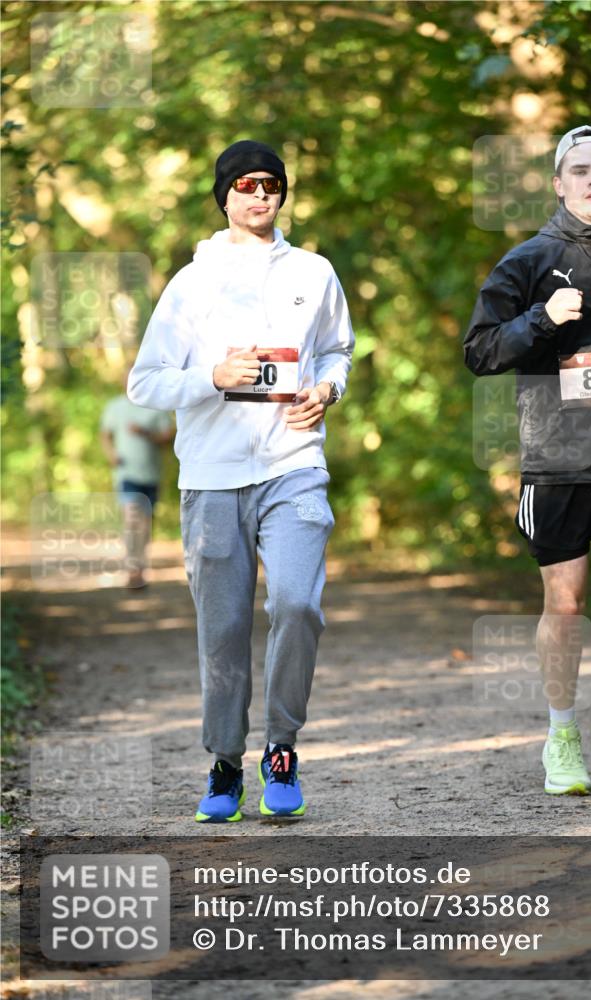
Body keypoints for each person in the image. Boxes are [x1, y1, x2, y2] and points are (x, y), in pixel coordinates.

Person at [128, 140, 354, 820]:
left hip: (293, 464)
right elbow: (145, 383)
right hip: (212, 477)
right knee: (223, 628)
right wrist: (212, 378)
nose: (260, 194)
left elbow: (337, 351)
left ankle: (280, 747)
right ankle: (225, 763)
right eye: (247, 184)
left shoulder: (314, 272)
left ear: (282, 195)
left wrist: (328, 389)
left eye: (272, 184)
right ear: (224, 195)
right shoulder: (189, 284)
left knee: (295, 604)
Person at [464, 125, 591, 795]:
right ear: (557, 181)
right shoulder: (527, 260)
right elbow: (480, 351)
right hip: (554, 456)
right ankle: (559, 734)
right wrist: (541, 321)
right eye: (579, 171)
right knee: (566, 602)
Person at [100, 369, 173, 589]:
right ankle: (133, 569)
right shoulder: (114, 406)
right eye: (125, 377)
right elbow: (105, 435)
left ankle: (140, 568)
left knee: (144, 525)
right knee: (132, 520)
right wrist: (111, 454)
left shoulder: (155, 406)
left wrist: (146, 434)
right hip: (126, 474)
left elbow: (169, 437)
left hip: (151, 475)